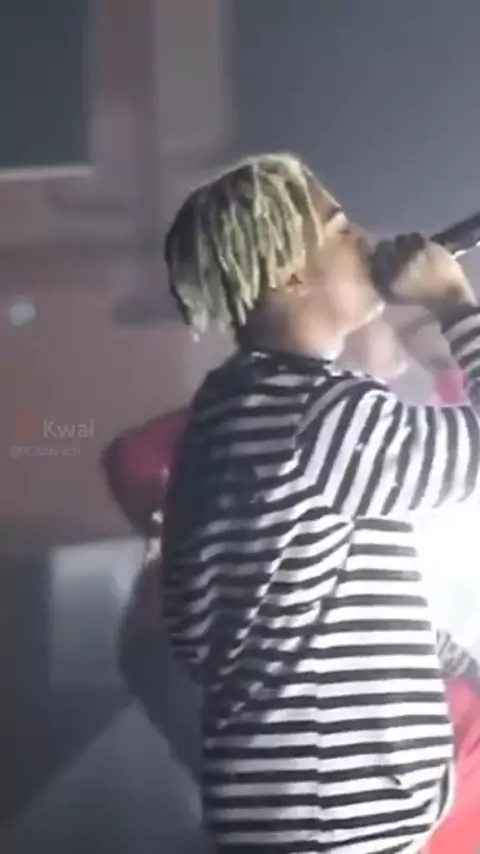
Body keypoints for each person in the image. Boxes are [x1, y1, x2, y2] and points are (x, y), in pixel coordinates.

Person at [124, 152, 480, 853]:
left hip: (288, 810)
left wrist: (455, 661)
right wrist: (454, 306)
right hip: (342, 820)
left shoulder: (228, 412)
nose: (367, 241)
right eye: (341, 229)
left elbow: (261, 610)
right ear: (288, 272)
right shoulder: (320, 415)